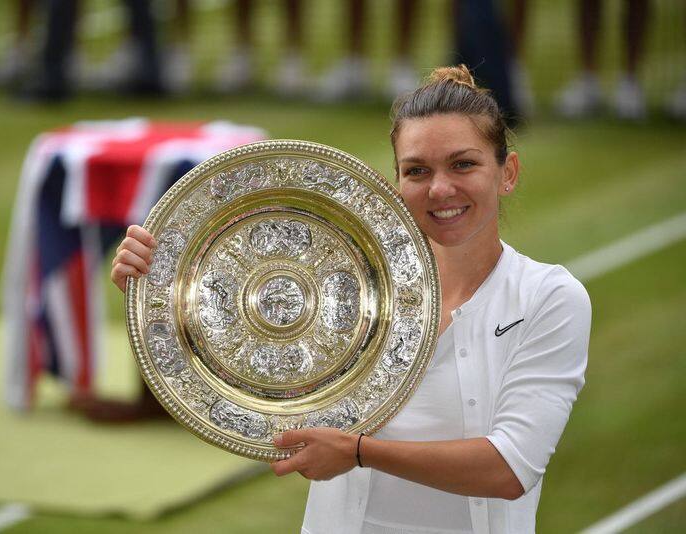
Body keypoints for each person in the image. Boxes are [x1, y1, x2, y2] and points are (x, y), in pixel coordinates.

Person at [110, 65, 591, 533]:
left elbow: (508, 469)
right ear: (396, 182)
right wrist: (158, 292)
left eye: (463, 164)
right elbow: (250, 380)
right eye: (417, 171)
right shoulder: (346, 288)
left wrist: (359, 451)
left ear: (507, 173)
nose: (440, 189)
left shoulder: (550, 298)